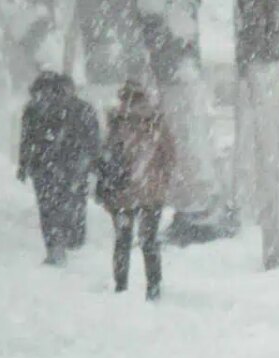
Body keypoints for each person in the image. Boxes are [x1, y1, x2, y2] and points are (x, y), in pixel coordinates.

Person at [96, 81, 175, 300]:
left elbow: (105, 158)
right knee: (149, 241)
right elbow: (169, 156)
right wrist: (161, 181)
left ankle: (121, 286)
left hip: (122, 193)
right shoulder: (156, 122)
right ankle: (153, 287)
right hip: (151, 192)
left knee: (122, 241)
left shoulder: (116, 122)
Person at [18, 72, 100, 266]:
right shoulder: (80, 109)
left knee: (52, 208)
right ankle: (63, 242)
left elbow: (27, 140)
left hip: (54, 166)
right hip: (66, 166)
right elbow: (93, 140)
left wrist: (25, 163)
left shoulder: (38, 110)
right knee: (67, 204)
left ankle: (60, 244)